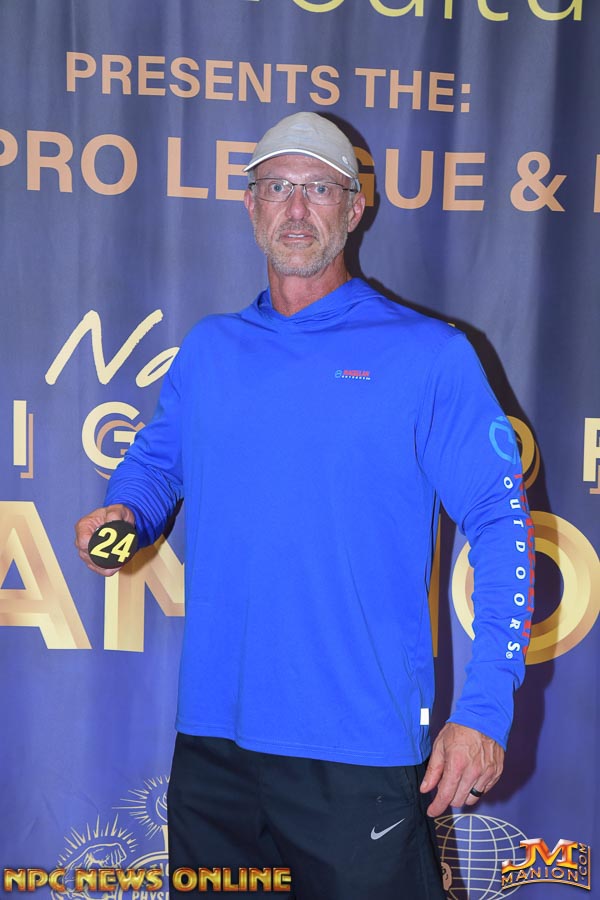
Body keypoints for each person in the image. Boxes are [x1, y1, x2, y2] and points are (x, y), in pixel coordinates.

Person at [75, 112, 534, 899]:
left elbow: (500, 523)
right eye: (277, 187)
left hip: (359, 752)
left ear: (354, 208)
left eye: (319, 188)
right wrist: (125, 512)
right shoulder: (210, 349)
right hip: (214, 751)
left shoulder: (428, 354)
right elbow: (155, 465)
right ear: (250, 205)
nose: (296, 208)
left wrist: (485, 708)